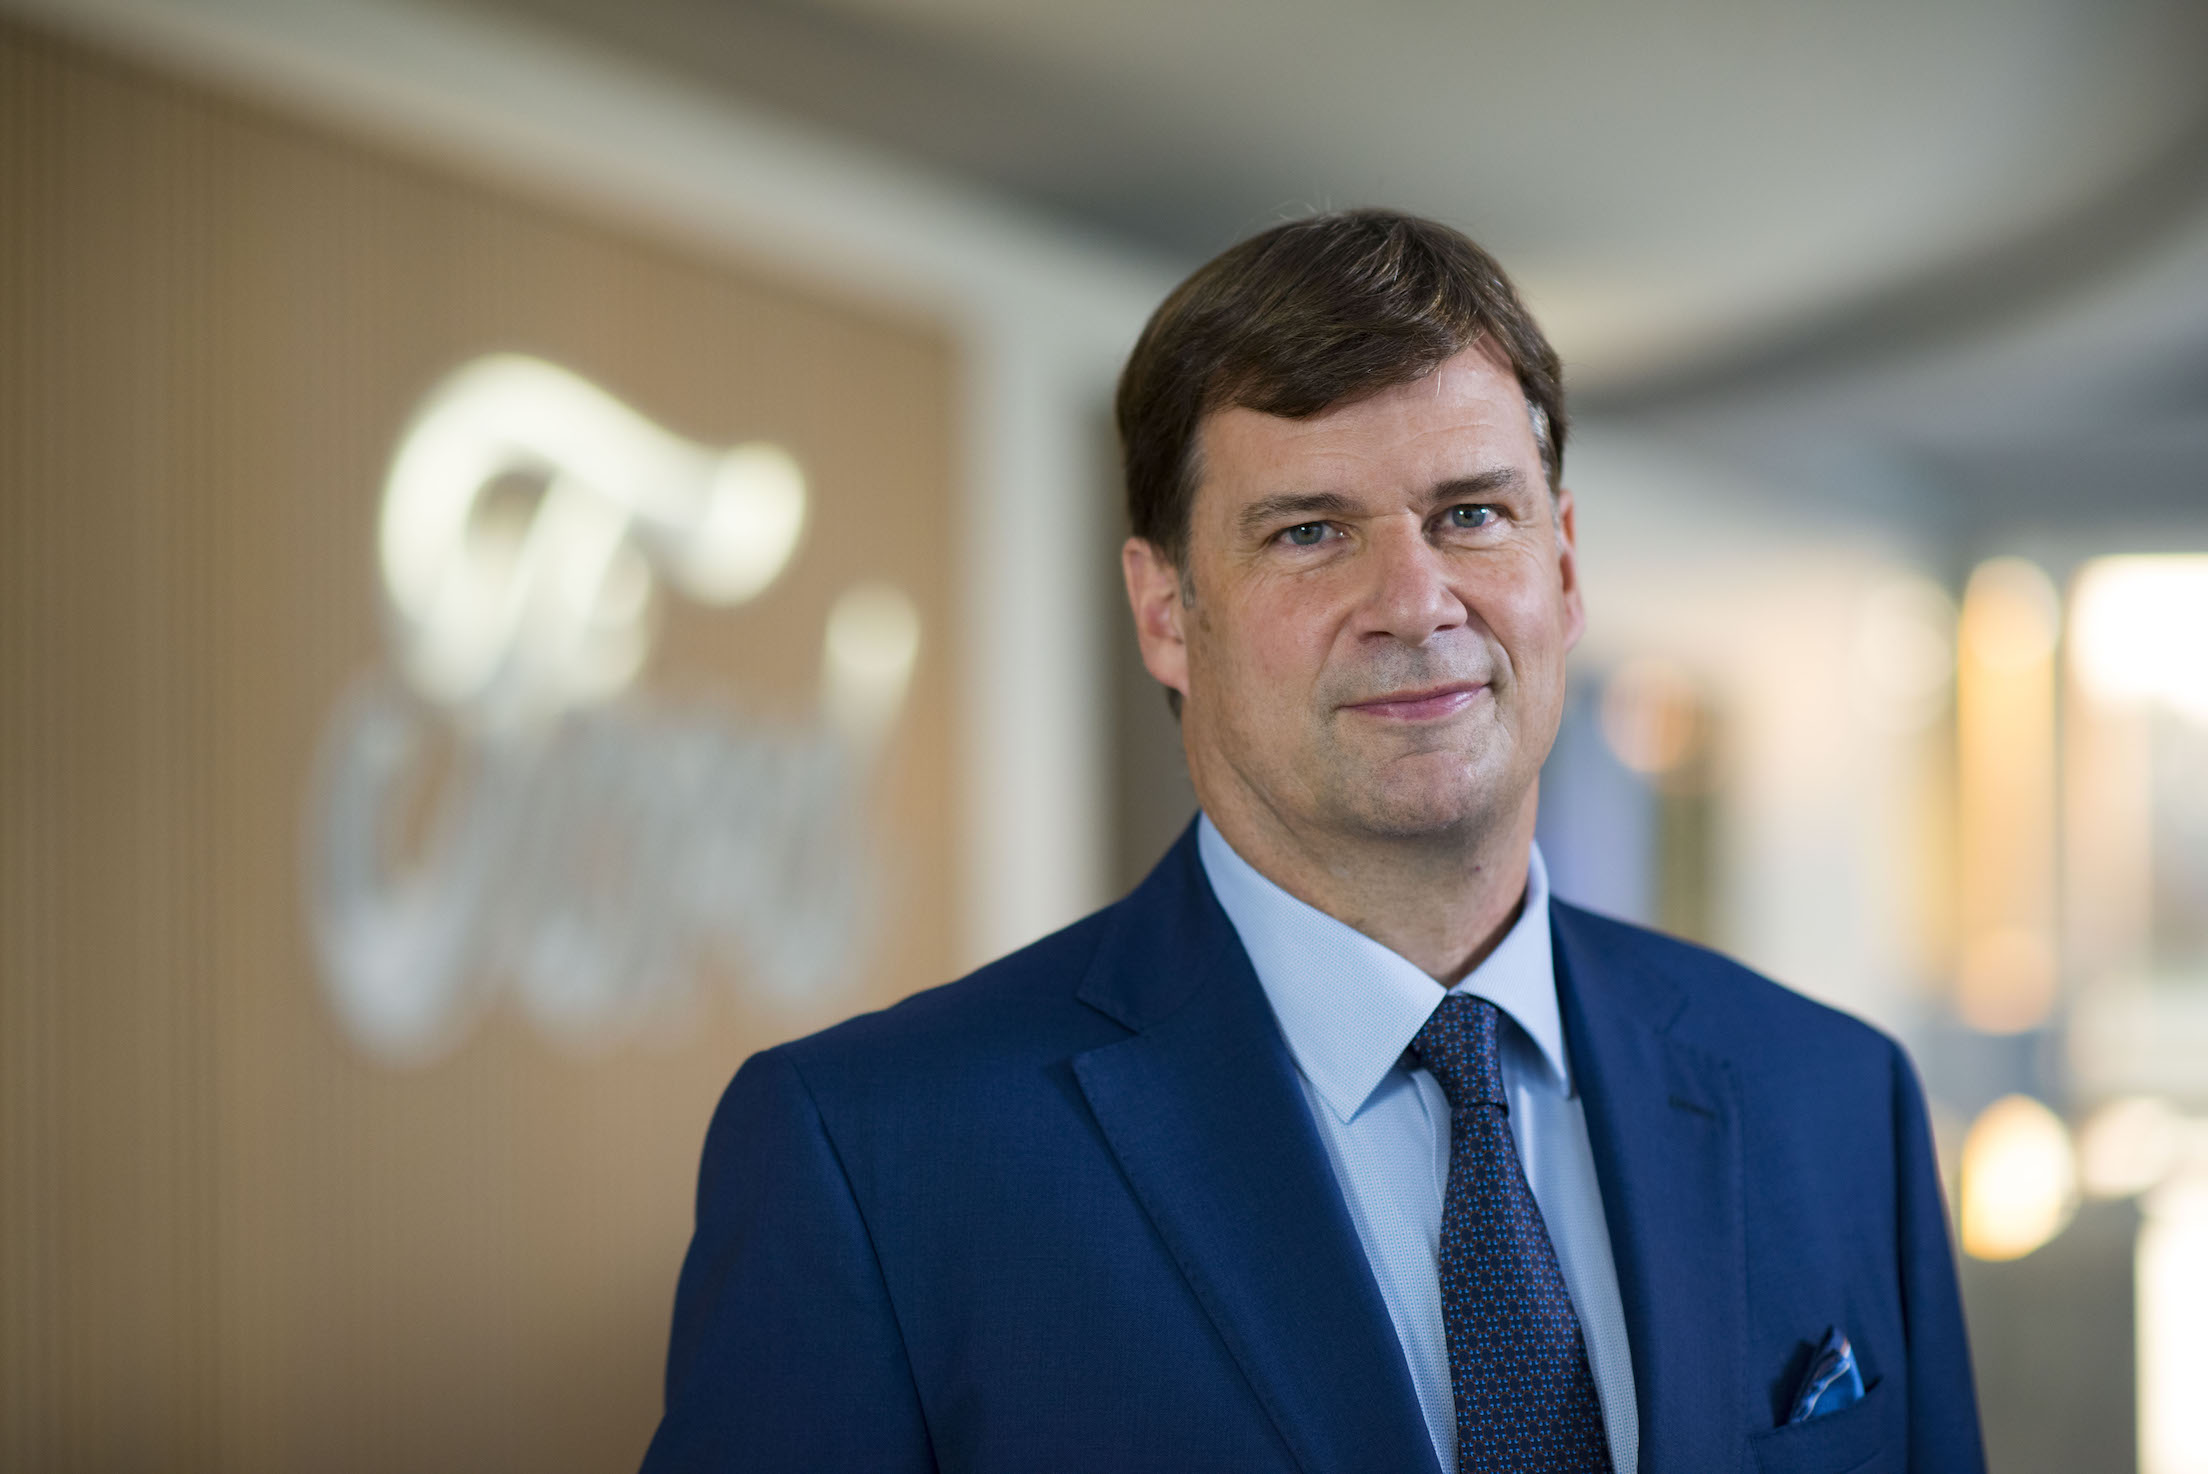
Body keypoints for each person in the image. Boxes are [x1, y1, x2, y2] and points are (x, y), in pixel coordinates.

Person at [639, 209, 1985, 1474]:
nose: (1414, 600)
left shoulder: (1833, 1100)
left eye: (1472, 513)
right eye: (1309, 531)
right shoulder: (876, 1157)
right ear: (1166, 610)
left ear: (1562, 568)